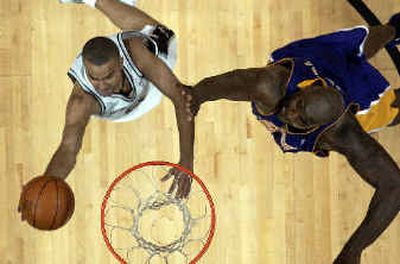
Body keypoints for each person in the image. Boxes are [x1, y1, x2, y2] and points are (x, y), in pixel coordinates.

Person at [188, 14, 400, 264]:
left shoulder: (341, 131)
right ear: (306, 88)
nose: (290, 112)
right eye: (299, 103)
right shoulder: (269, 85)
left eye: (301, 118)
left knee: (393, 109)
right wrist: (195, 96)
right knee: (364, 40)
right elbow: (216, 86)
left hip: (354, 89)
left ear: (319, 128)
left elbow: (393, 186)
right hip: (323, 56)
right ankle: (395, 28)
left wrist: (352, 251)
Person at [31, 0, 194, 199]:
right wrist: (45, 187)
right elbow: (68, 148)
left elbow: (181, 99)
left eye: (108, 76)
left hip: (153, 67)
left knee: (162, 34)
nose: (101, 85)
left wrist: (186, 161)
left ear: (121, 63)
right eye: (94, 78)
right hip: (120, 111)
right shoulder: (82, 99)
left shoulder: (137, 53)